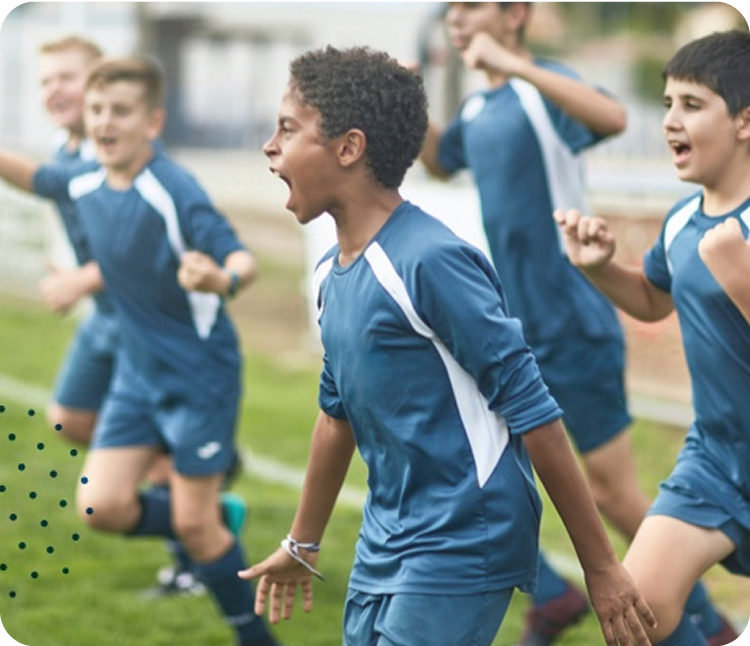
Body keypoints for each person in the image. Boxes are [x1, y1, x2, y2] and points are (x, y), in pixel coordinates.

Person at [237, 44, 656, 646]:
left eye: (287, 129)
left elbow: (536, 417)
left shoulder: (432, 261)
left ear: (349, 148)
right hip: (388, 540)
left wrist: (602, 567)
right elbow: (336, 420)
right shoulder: (331, 274)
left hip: (466, 535)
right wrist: (301, 543)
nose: (269, 146)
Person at [417, 3, 737, 645]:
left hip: (569, 326)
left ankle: (707, 620)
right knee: (467, 470)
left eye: (473, 5)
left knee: (614, 496)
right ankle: (562, 595)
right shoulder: (481, 111)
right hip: (513, 331)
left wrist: (515, 65)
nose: (456, 17)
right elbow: (440, 162)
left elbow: (614, 117)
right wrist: (407, 99)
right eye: (450, 8)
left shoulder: (541, 91)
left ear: (515, 15)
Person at [0, 56, 281, 646]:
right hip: (136, 373)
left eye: (120, 112)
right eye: (98, 110)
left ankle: (254, 636)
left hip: (200, 376)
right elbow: (32, 177)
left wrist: (220, 279)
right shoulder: (82, 179)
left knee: (192, 526)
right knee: (101, 508)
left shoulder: (172, 189)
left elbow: (241, 257)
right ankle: (215, 519)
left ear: (151, 122)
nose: (106, 122)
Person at [554, 28, 750, 646]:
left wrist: (742, 283)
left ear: (745, 121)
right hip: (716, 461)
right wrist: (598, 268)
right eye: (666, 104)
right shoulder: (685, 220)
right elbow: (653, 299)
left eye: (692, 105)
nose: (670, 121)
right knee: (634, 614)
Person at [30, 34, 223, 598]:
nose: (54, 91)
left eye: (67, 77)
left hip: (148, 322)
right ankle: (195, 482)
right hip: (105, 317)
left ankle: (191, 547)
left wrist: (79, 279)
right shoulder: (67, 156)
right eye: (45, 81)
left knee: (147, 444)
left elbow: (148, 250)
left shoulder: (123, 151)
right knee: (68, 417)